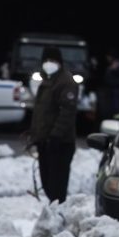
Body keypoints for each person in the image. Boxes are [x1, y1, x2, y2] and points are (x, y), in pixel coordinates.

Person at [28, 45, 79, 203]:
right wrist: (36, 135)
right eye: (46, 60)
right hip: (45, 142)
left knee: (57, 186)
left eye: (53, 60)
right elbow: (42, 112)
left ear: (59, 62)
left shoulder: (66, 82)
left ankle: (58, 216)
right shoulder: (47, 81)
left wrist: (55, 136)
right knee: (47, 183)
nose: (49, 63)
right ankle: (53, 213)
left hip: (60, 143)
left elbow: (67, 113)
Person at [102, 47, 119, 119]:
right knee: (111, 106)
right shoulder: (113, 65)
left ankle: (116, 120)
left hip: (116, 89)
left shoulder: (118, 65)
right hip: (110, 89)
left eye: (108, 57)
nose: (107, 59)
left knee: (116, 106)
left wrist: (114, 69)